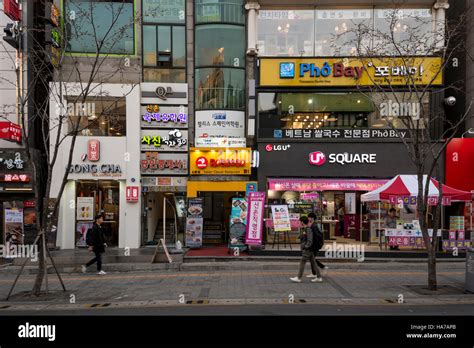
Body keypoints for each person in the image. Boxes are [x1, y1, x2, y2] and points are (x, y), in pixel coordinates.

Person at [290, 216, 323, 283]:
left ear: (302, 222)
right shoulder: (305, 229)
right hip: (309, 249)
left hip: (308, 249)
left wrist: (306, 247)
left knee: (302, 262)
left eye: (300, 222)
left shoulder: (308, 229)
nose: (299, 223)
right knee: (313, 262)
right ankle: (319, 277)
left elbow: (310, 240)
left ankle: (299, 278)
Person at [306, 213, 328, 278]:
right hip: (315, 245)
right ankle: (314, 272)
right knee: (312, 259)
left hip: (315, 245)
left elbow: (316, 236)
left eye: (309, 217)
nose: (308, 218)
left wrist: (314, 245)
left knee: (312, 259)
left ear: (312, 218)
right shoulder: (313, 225)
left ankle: (322, 267)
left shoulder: (314, 226)